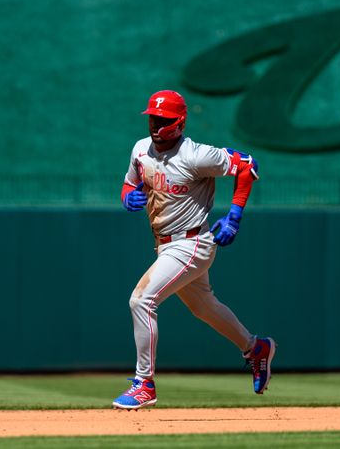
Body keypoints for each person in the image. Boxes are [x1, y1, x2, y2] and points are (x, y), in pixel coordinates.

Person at [112, 90, 276, 410]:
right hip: (164, 244)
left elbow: (247, 166)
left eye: (163, 120)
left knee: (141, 299)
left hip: (193, 242)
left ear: (179, 122)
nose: (156, 125)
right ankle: (255, 348)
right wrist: (127, 196)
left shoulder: (196, 155)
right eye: (153, 118)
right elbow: (130, 184)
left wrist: (235, 216)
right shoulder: (140, 150)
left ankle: (144, 383)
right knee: (204, 308)